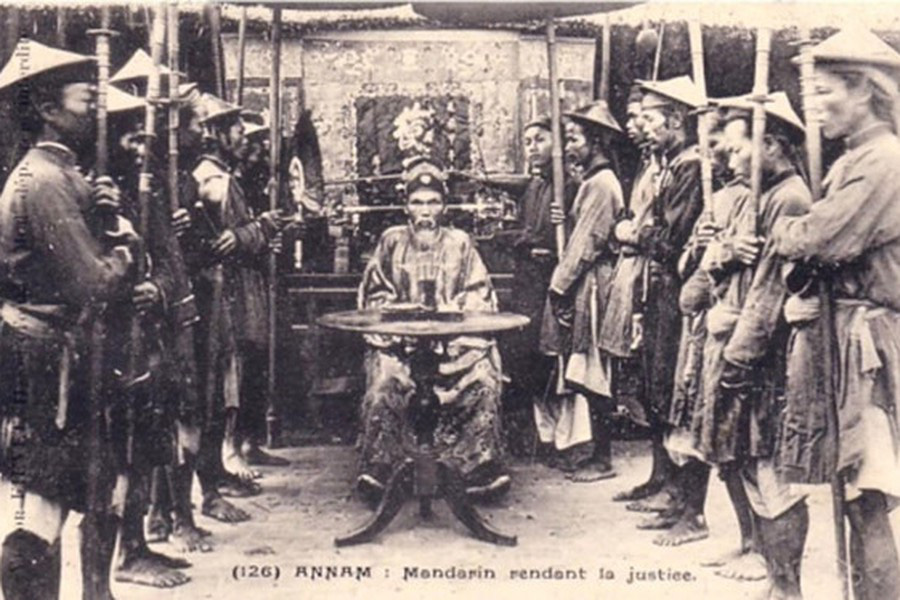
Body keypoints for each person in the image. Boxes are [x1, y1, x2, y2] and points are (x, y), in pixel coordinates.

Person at [0, 40, 135, 600]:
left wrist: (104, 209)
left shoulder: (61, 175)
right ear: (48, 110)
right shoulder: (45, 183)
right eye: (87, 100)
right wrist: (124, 244)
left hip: (59, 352)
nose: (98, 111)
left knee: (77, 490)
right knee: (39, 506)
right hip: (42, 362)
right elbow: (94, 283)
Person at [771, 28, 900, 600]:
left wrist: (785, 231)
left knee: (866, 497)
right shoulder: (854, 160)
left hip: (867, 348)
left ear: (866, 90)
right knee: (853, 496)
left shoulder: (885, 161)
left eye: (825, 93)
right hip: (842, 335)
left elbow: (821, 238)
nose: (815, 107)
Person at [356, 157, 508, 504]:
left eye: (433, 202)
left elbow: (479, 293)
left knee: (483, 380)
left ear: (444, 206)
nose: (425, 211)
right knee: (384, 383)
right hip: (401, 346)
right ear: (406, 207)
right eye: (417, 202)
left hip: (454, 346)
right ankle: (383, 469)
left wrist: (453, 312)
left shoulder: (460, 242)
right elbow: (375, 294)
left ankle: (476, 470)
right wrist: (402, 317)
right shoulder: (391, 241)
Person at [102, 84, 195, 589]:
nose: (141, 148)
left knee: (149, 441)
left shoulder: (151, 189)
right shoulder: (92, 190)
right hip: (107, 343)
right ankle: (121, 553)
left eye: (145, 138)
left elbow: (170, 264)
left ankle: (137, 544)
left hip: (149, 336)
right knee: (117, 452)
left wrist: (155, 290)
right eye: (130, 137)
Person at [179, 93, 285, 518]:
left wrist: (256, 230)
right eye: (238, 129)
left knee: (232, 376)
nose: (244, 137)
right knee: (223, 381)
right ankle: (218, 468)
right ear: (217, 133)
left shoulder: (225, 175)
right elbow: (220, 242)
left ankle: (222, 467)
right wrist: (257, 230)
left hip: (235, 288)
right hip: (221, 292)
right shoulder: (212, 178)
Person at [609, 77, 706, 519]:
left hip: (677, 293)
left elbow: (672, 241)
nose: (644, 127)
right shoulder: (667, 164)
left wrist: (635, 233)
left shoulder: (691, 168)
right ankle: (661, 480)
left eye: (651, 119)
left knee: (674, 389)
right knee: (654, 386)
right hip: (658, 288)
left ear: (676, 119)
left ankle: (683, 497)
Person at [541, 101, 625, 482]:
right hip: (587, 279)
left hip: (594, 282)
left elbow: (587, 242)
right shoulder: (592, 182)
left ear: (596, 142)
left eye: (575, 139)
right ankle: (596, 451)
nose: (570, 146)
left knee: (594, 369)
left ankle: (602, 458)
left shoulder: (602, 184)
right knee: (587, 368)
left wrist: (559, 286)